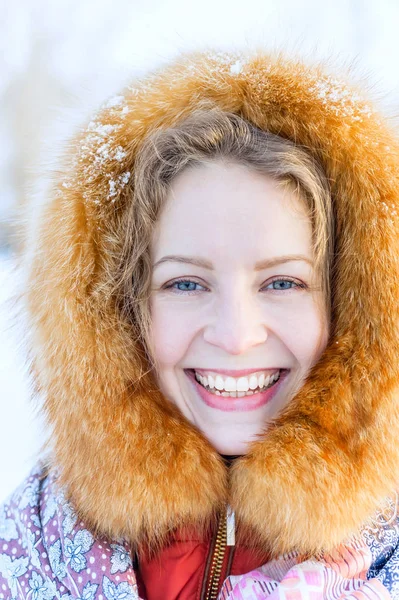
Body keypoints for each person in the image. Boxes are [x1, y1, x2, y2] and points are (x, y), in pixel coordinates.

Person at [1, 48, 399, 600]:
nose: (236, 336)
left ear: (357, 310)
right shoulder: (28, 550)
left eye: (282, 283)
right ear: (117, 314)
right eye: (185, 284)